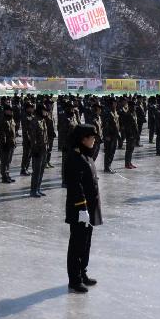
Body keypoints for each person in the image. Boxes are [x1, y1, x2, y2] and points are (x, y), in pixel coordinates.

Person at [62, 124, 101, 293]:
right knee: (77, 244)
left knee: (86, 243)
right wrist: (81, 208)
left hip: (89, 207)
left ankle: (82, 272)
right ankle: (74, 279)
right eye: (91, 138)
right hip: (80, 209)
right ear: (83, 139)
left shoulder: (86, 155)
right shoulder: (74, 157)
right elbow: (75, 186)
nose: (94, 141)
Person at [28, 102, 49, 197]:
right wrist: (34, 149)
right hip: (38, 150)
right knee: (36, 171)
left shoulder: (42, 120)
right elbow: (32, 137)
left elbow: (45, 135)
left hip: (44, 149)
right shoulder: (34, 121)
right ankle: (33, 190)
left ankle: (38, 188)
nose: (46, 113)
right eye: (45, 111)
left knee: (42, 170)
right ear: (41, 111)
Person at [0, 102, 17, 184]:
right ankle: (4, 177)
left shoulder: (11, 119)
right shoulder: (3, 120)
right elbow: (2, 134)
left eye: (11, 111)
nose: (11, 112)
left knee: (8, 161)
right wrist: (4, 143)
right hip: (5, 144)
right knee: (4, 161)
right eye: (9, 111)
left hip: (11, 143)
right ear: (5, 111)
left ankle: (7, 175)